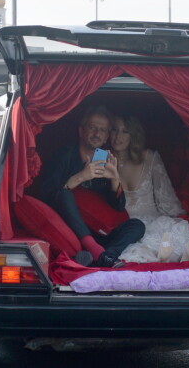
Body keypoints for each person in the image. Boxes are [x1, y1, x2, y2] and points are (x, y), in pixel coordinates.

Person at [39, 106, 145, 268]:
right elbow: (46, 195)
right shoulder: (62, 155)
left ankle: (104, 255)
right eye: (92, 127)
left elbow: (118, 207)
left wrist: (115, 180)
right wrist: (80, 177)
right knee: (65, 194)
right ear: (81, 131)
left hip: (99, 231)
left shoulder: (102, 157)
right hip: (73, 229)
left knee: (137, 225)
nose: (97, 134)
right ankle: (97, 252)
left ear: (106, 136)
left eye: (102, 130)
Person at [110, 115, 189, 263]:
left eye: (125, 131)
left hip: (152, 223)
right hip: (123, 227)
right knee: (133, 250)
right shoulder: (102, 158)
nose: (118, 136)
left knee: (170, 237)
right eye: (114, 130)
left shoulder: (149, 157)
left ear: (133, 135)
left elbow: (167, 200)